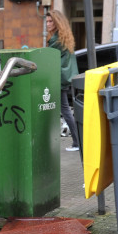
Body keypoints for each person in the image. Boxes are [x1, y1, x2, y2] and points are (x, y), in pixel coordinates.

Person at [45, 10, 80, 152]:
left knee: (64, 110)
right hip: (62, 77)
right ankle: (77, 141)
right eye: (46, 21)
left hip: (58, 78)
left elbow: (48, 57)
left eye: (50, 21)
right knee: (63, 109)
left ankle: (77, 142)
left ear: (57, 22)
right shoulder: (63, 37)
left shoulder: (57, 40)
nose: (47, 24)